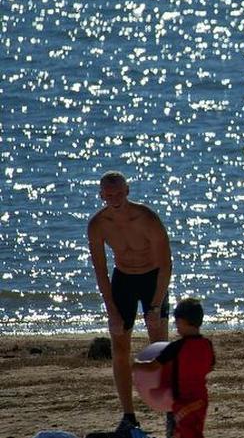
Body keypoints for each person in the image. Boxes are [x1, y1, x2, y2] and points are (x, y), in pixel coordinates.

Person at [87, 171, 174, 434]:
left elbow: (166, 265)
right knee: (119, 346)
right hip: (122, 280)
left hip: (152, 280)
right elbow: (101, 271)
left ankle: (171, 411)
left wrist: (156, 306)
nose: (113, 199)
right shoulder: (98, 224)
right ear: (102, 195)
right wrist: (112, 311)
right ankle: (128, 416)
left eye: (118, 193)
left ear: (128, 190)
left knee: (159, 347)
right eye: (108, 194)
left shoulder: (146, 218)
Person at [135, 298, 215, 438]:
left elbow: (153, 366)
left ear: (183, 321)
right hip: (202, 400)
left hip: (184, 402)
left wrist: (134, 366)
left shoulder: (176, 347)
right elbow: (210, 366)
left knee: (183, 433)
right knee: (196, 432)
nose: (176, 326)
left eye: (177, 322)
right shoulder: (207, 345)